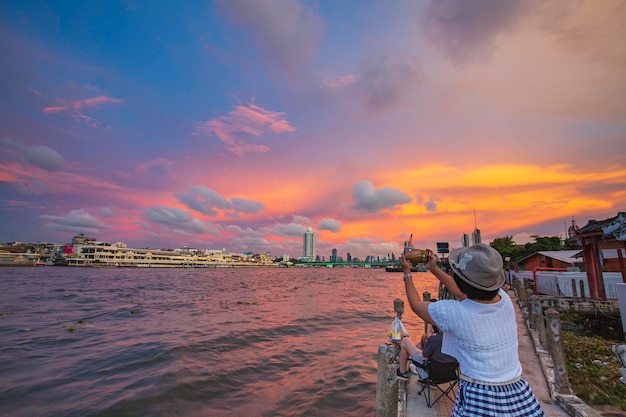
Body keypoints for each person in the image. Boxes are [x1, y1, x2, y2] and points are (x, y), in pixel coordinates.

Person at [400, 243, 545, 416]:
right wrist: (434, 269)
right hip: (520, 395)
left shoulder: (455, 313)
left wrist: (407, 273)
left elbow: (416, 305)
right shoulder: (505, 300)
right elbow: (464, 293)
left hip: (480, 397)